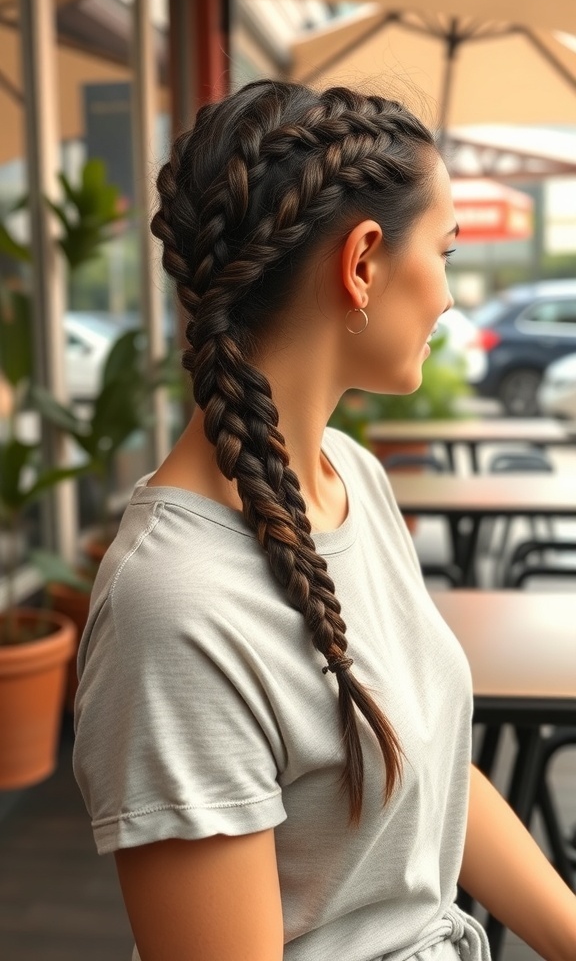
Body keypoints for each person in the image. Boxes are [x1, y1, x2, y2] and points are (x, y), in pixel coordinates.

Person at [73, 80, 576, 961]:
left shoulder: (355, 480)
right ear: (364, 261)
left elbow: (426, 761)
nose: (452, 298)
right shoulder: (174, 610)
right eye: (448, 254)